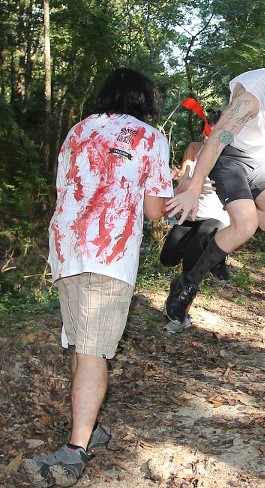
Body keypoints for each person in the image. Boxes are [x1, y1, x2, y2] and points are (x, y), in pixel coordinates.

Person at [24, 68, 173, 487]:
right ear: (146, 100)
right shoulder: (149, 137)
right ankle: (75, 451)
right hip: (108, 255)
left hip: (66, 250)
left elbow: (64, 185)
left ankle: (89, 429)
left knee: (78, 341)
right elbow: (154, 210)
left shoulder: (79, 129)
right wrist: (182, 194)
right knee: (93, 352)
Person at [163, 36, 265, 325]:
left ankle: (217, 241)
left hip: (259, 158)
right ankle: (186, 284)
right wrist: (194, 187)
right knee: (245, 225)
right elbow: (216, 141)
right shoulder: (250, 99)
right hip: (229, 155)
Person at [159, 109, 231, 332]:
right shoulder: (194, 149)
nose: (207, 139)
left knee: (192, 262)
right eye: (205, 134)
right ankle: (179, 286)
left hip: (217, 217)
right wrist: (183, 180)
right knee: (168, 258)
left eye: (213, 134)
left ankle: (181, 316)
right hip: (192, 214)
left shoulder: (232, 154)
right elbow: (183, 177)